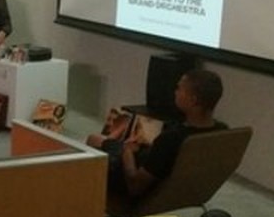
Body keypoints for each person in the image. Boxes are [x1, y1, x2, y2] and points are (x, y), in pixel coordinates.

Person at [87, 67, 226, 197]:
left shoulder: (170, 139)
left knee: (94, 140)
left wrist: (127, 152)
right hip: (179, 188)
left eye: (179, 88)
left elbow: (135, 186)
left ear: (193, 100)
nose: (175, 92)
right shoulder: (221, 131)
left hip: (132, 182)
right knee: (109, 138)